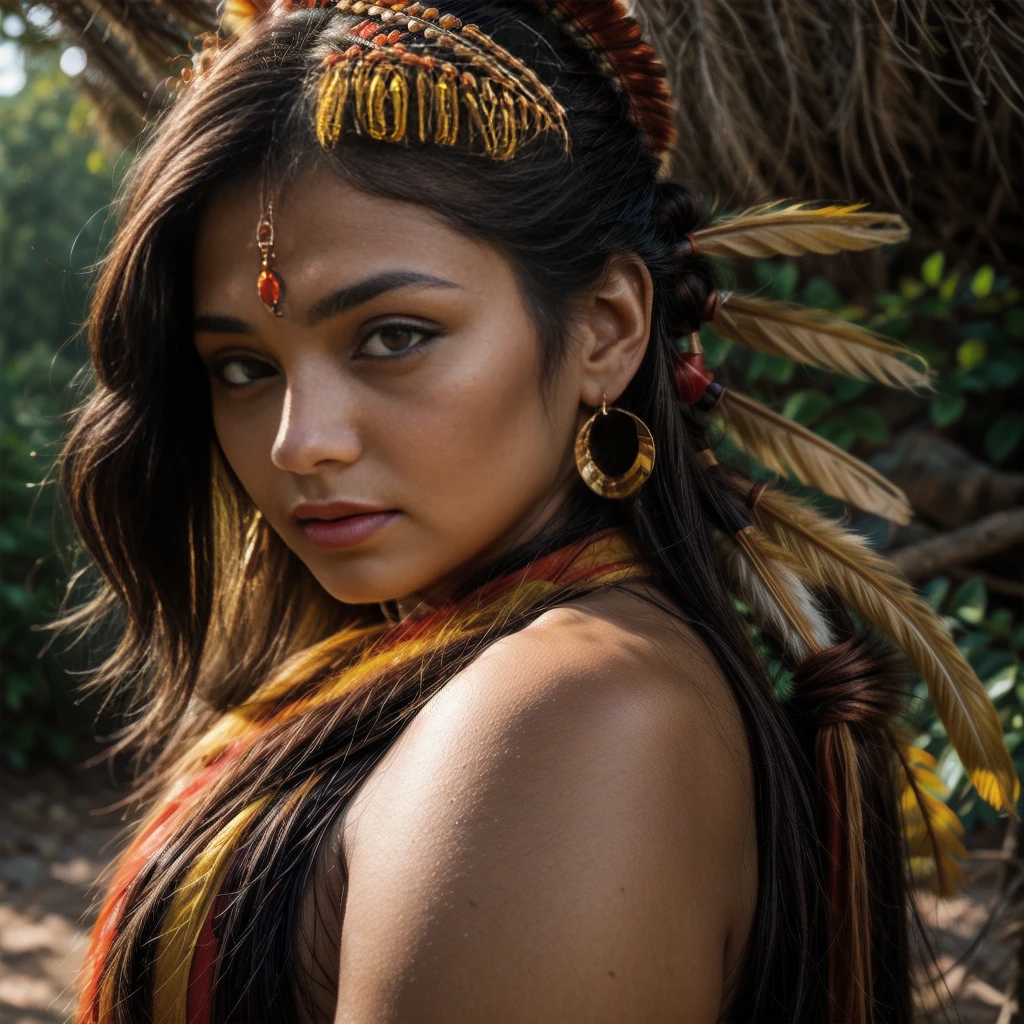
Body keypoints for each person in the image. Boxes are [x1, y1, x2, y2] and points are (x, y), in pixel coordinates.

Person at [59, 1, 1018, 1022]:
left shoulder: (568, 720)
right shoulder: (449, 665)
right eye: (243, 366)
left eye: (391, 337)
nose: (299, 440)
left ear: (607, 328)